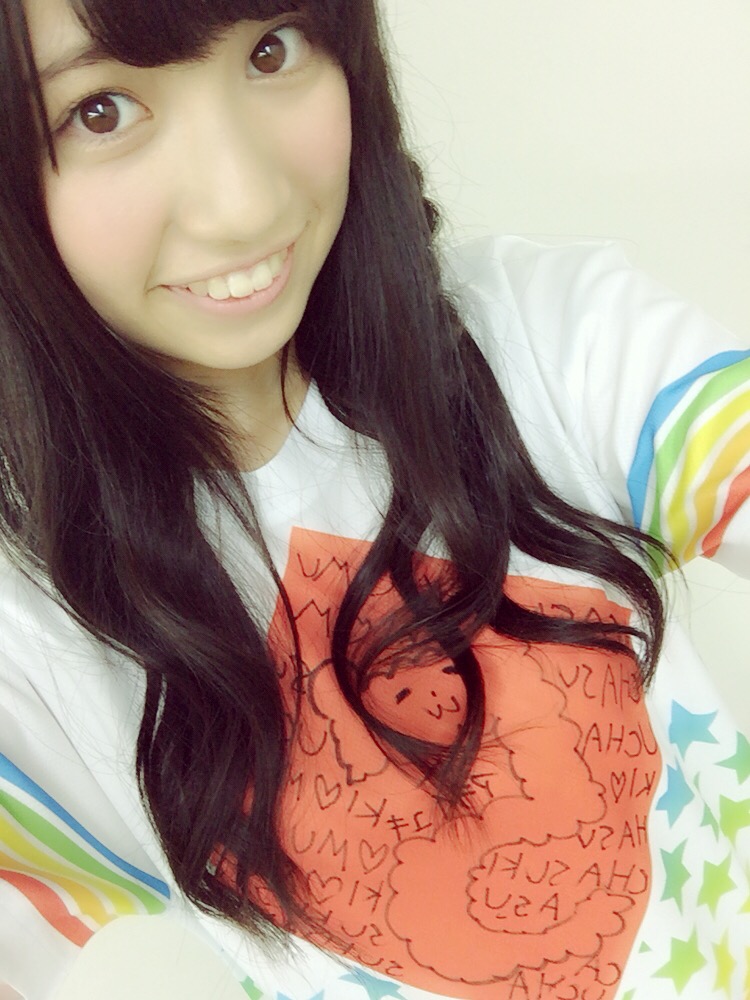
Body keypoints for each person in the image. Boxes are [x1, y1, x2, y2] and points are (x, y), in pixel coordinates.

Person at [0, 0, 748, 997]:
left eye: (273, 49)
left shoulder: (553, 347)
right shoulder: (40, 646)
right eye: (101, 111)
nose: (244, 203)